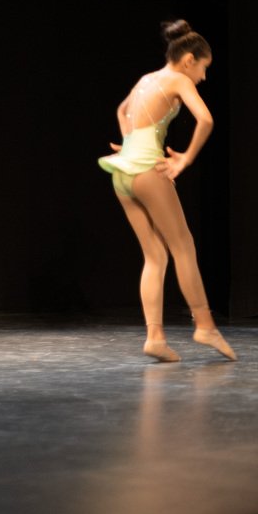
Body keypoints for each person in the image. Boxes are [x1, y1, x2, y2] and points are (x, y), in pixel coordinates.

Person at [98, 20, 237, 363]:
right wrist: (185, 159)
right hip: (147, 170)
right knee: (183, 247)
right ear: (189, 60)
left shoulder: (147, 79)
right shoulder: (177, 79)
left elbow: (122, 110)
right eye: (203, 67)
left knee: (155, 255)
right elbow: (206, 120)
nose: (203, 77)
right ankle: (204, 325)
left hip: (122, 172)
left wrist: (129, 144)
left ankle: (155, 338)